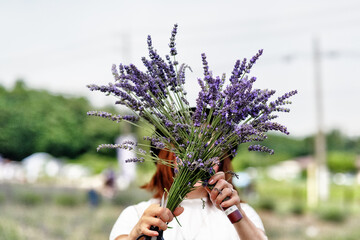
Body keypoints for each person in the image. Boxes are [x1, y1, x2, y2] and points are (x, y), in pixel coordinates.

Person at [109, 146, 268, 240]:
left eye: (208, 153)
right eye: (187, 149)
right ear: (168, 156)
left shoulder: (243, 214)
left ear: (221, 161)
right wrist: (135, 236)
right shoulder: (137, 215)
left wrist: (236, 213)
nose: (198, 161)